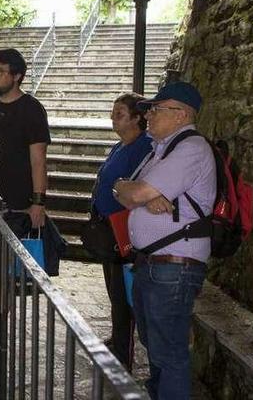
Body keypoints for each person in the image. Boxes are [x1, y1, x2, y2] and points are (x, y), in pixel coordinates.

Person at [112, 81, 216, 400]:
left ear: (181, 114)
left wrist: (139, 193)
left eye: (157, 109)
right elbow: (120, 190)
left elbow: (136, 193)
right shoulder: (161, 150)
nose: (149, 116)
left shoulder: (190, 149)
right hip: (154, 265)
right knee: (155, 347)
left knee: (169, 354)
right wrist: (134, 192)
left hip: (173, 267)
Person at [91, 93, 152, 369]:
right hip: (110, 227)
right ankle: (118, 339)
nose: (113, 118)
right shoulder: (121, 145)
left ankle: (123, 351)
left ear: (138, 118)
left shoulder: (145, 147)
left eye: (119, 114)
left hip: (125, 229)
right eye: (113, 113)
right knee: (114, 289)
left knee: (123, 291)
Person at [0, 48, 50, 229]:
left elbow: (38, 160)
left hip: (16, 205)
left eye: (0, 71)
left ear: (16, 76)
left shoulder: (31, 109)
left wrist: (38, 202)